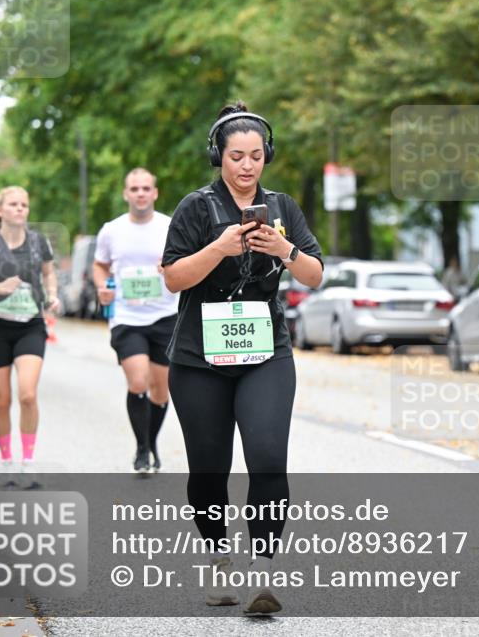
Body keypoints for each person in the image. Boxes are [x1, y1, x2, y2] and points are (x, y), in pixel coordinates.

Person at [162, 102, 322, 614]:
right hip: (198, 359)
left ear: (267, 155)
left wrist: (283, 250)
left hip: (266, 352)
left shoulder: (284, 208)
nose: (247, 165)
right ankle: (218, 558)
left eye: (256, 155)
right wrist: (219, 249)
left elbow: (315, 274)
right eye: (237, 156)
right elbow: (173, 278)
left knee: (269, 458)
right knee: (209, 470)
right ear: (219, 157)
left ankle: (263, 573)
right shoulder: (195, 207)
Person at [0, 187, 60, 470]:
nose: (20, 209)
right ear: (0, 210)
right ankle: (6, 457)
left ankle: (27, 459)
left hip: (30, 325)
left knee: (28, 394)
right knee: (2, 400)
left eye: (24, 205)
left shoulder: (39, 241)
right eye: (14, 204)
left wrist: (52, 294)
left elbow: (49, 272)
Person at [93, 168, 179, 474]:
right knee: (139, 380)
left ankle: (151, 442)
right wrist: (103, 288)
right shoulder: (111, 230)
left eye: (146, 188)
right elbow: (100, 266)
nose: (140, 193)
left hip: (165, 316)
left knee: (161, 391)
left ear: (154, 193)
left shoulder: (170, 226)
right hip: (126, 317)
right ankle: (141, 449)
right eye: (134, 189)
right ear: (126, 194)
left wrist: (169, 268)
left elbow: (183, 265)